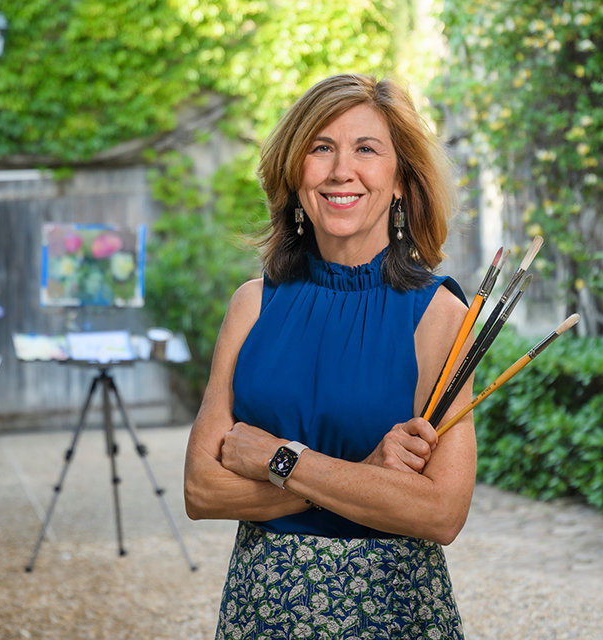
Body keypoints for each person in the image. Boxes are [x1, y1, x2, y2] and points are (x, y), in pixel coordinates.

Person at [184, 73, 477, 639]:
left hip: (391, 616)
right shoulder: (252, 306)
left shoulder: (441, 316)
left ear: (400, 180)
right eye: (321, 148)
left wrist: (279, 460)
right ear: (296, 175)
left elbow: (441, 512)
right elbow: (201, 490)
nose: (342, 170)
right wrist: (365, 477)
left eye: (366, 149)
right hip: (261, 616)